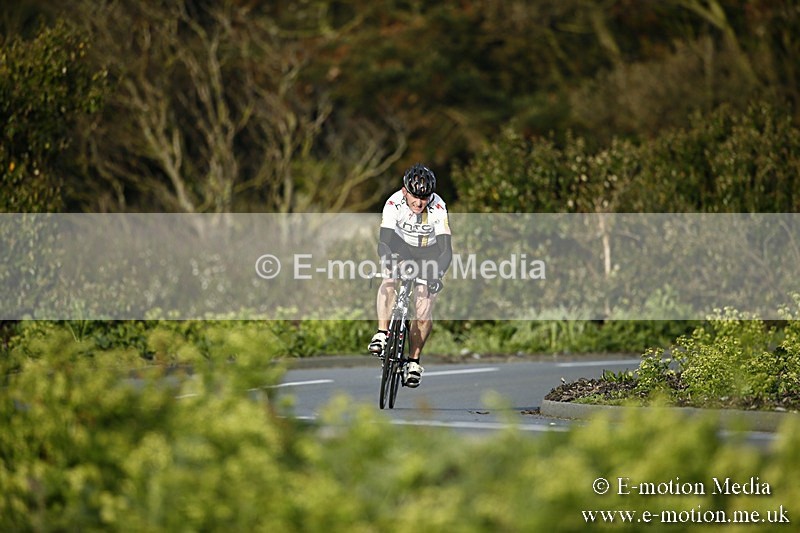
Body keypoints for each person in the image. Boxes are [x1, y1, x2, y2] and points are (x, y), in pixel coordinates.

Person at [368, 163, 452, 388]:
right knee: (388, 280)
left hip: (429, 251)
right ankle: (382, 333)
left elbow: (446, 251)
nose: (419, 202)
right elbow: (384, 243)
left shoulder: (438, 207)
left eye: (424, 197)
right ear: (405, 192)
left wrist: (436, 274)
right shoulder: (393, 203)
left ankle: (413, 362)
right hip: (401, 246)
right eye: (414, 196)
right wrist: (389, 264)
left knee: (424, 308)